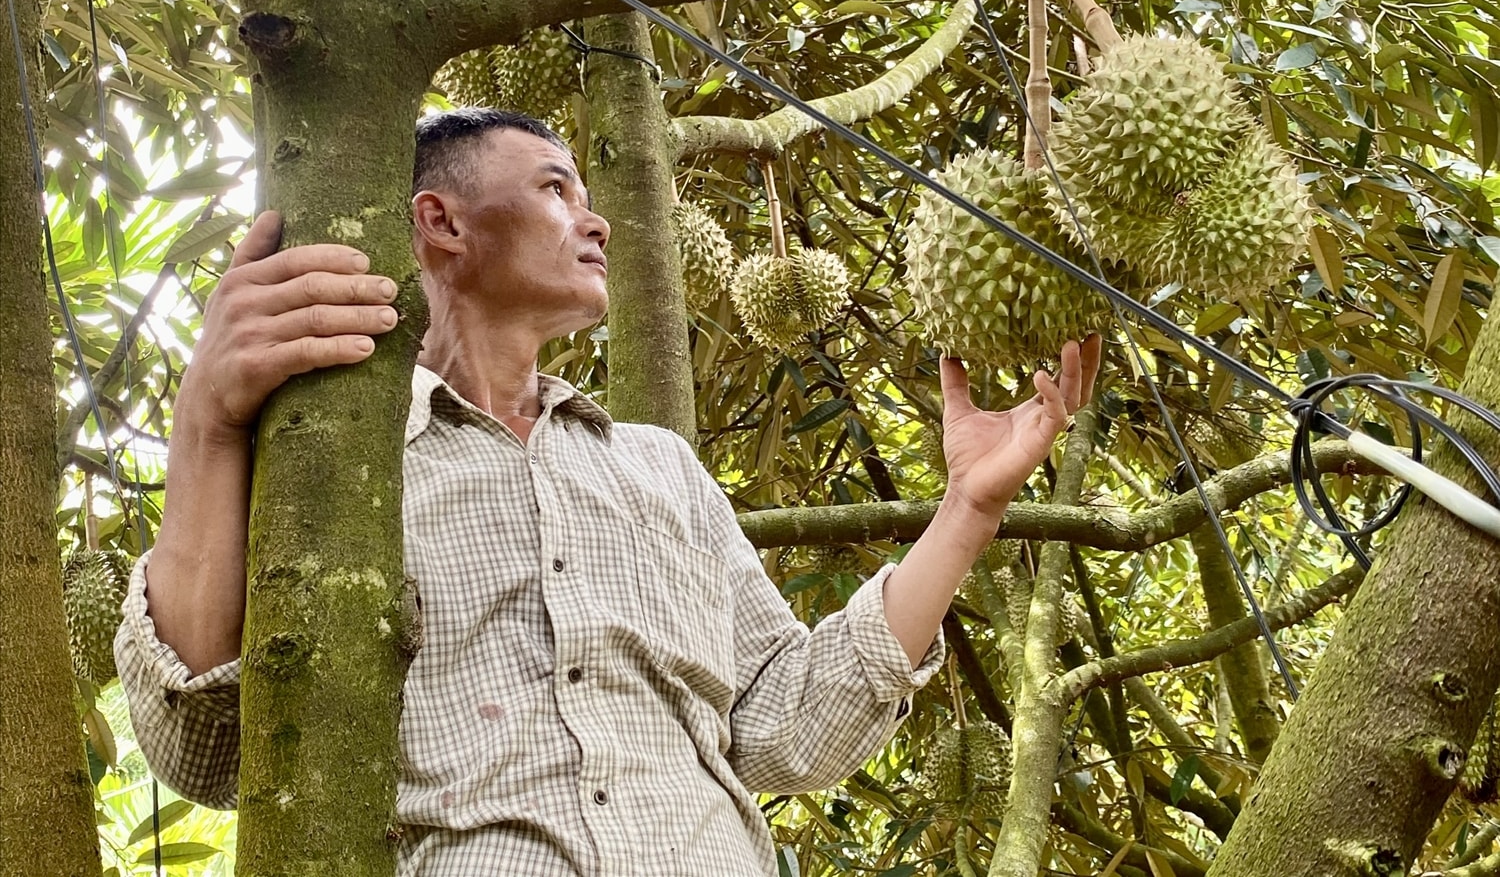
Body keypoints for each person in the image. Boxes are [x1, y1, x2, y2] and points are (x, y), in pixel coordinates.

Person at [117, 107, 1101, 877]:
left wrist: (967, 509)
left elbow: (785, 728)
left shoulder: (657, 466)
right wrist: (207, 419)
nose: (594, 219)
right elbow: (205, 747)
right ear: (440, 221)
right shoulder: (337, 469)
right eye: (555, 188)